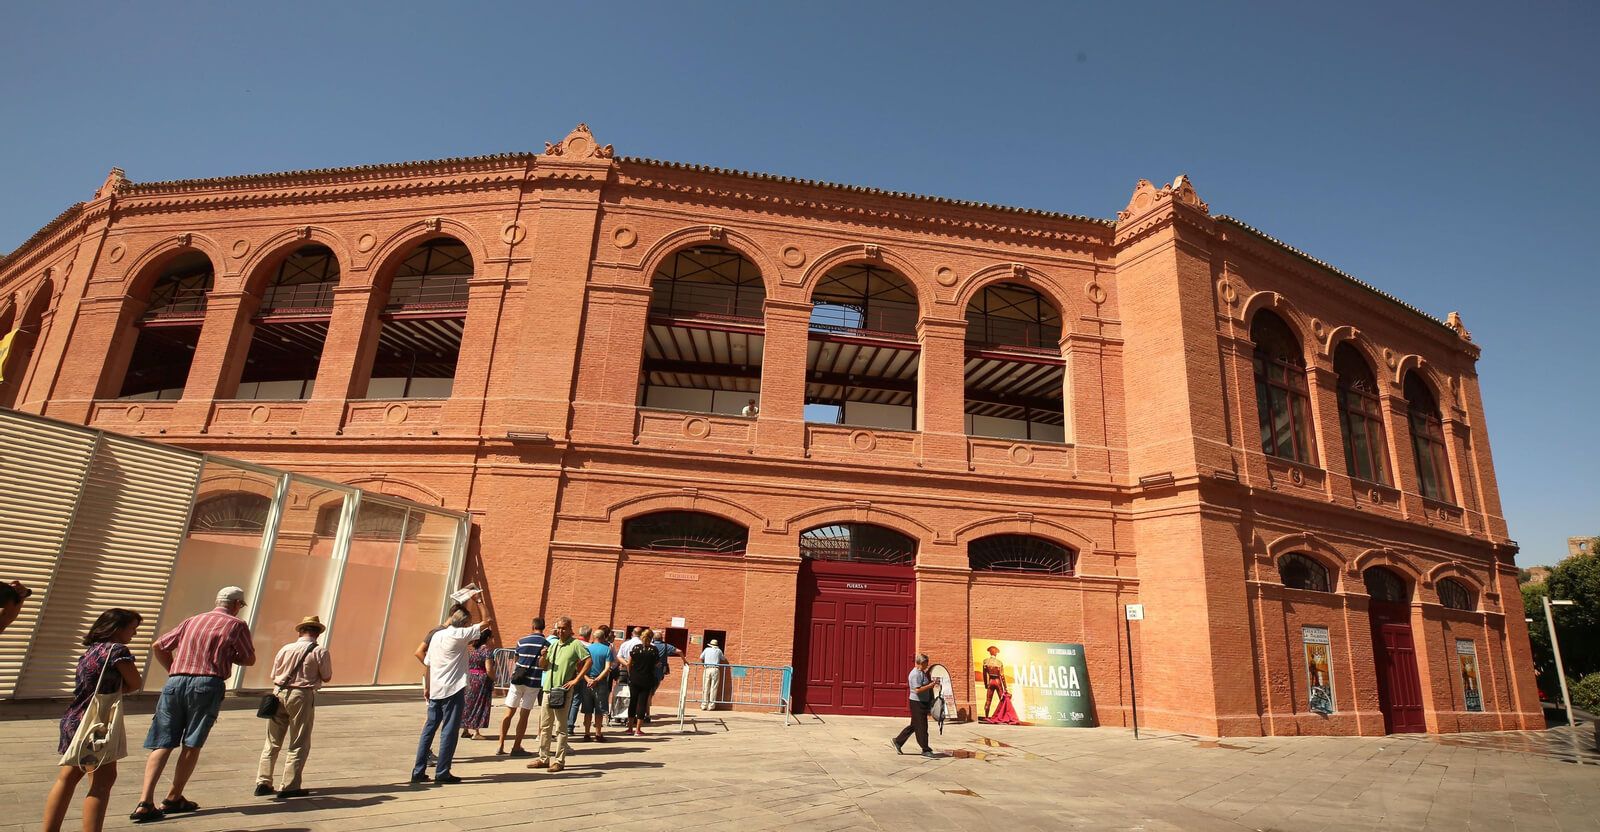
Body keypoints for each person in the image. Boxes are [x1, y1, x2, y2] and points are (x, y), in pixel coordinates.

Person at [131, 586, 256, 823]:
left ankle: (145, 801)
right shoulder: (236, 625)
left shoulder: (193, 620)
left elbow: (159, 645)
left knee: (163, 742)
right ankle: (173, 796)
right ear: (237, 605)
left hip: (176, 681)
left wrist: (174, 669)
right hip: (208, 683)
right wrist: (228, 656)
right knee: (192, 741)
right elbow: (249, 658)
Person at [41, 608, 143, 832]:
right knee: (101, 783)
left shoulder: (91, 651)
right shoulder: (117, 651)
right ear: (118, 628)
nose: (134, 634)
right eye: (132, 629)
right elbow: (135, 683)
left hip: (74, 717)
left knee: (67, 777)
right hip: (96, 723)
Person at [410, 595, 491, 785]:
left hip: (436, 688)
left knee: (429, 729)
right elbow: (486, 622)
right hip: (453, 689)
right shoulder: (459, 635)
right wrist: (478, 601)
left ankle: (418, 770)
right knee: (449, 730)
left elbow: (428, 663)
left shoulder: (437, 635)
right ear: (464, 624)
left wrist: (428, 686)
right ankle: (443, 771)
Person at [254, 615, 332, 799]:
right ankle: (289, 785)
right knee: (299, 741)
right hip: (301, 695)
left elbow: (274, 673)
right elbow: (327, 676)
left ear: (300, 631)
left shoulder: (285, 648)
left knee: (272, 741)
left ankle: (263, 781)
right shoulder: (320, 651)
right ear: (317, 633)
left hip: (278, 692)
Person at [527, 616, 590, 773]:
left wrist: (576, 679)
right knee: (545, 725)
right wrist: (542, 655)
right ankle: (543, 758)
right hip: (548, 689)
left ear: (570, 629)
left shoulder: (575, 644)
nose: (561, 631)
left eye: (564, 628)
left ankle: (559, 760)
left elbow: (588, 661)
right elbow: (543, 665)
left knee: (561, 727)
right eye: (559, 628)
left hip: (562, 691)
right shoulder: (553, 645)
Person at [496, 617, 546, 756]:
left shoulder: (521, 641)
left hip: (517, 680)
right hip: (533, 682)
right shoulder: (546, 643)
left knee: (509, 713)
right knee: (524, 715)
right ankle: (516, 746)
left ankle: (500, 744)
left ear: (532, 626)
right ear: (543, 627)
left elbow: (517, 659)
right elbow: (544, 664)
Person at [891, 653, 939, 758]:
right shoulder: (915, 674)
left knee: (915, 725)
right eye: (926, 663)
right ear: (921, 663)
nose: (927, 665)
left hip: (922, 702)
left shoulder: (922, 672)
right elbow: (917, 690)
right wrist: (930, 686)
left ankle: (898, 741)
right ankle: (925, 749)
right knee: (922, 726)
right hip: (917, 703)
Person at [579, 625, 615, 741]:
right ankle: (598, 733)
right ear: (604, 637)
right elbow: (607, 668)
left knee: (587, 709)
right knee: (599, 710)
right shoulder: (607, 650)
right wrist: (597, 679)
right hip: (601, 682)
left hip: (587, 682)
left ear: (593, 637)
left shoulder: (587, 649)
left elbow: (579, 667)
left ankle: (586, 733)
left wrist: (587, 679)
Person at [622, 627, 659, 736]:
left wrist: (630, 674)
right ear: (651, 638)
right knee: (642, 703)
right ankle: (638, 729)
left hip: (634, 678)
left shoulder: (636, 648)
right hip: (647, 678)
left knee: (632, 702)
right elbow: (656, 663)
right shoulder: (653, 650)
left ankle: (629, 728)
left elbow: (629, 663)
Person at [461, 629, 495, 740]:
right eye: (492, 637)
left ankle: (465, 729)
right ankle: (476, 732)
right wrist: (494, 678)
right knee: (479, 704)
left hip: (471, 678)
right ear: (488, 638)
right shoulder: (487, 652)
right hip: (481, 680)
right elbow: (489, 669)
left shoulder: (474, 651)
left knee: (469, 703)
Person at [644, 632, 680, 722]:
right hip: (658, 674)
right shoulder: (666, 646)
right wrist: (684, 660)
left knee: (646, 693)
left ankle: (645, 712)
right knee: (650, 694)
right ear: (662, 638)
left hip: (647, 672)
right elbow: (679, 651)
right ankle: (647, 713)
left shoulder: (649, 645)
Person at [564, 625, 593, 736]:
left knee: (567, 700)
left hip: (570, 675)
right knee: (576, 701)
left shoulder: (572, 643)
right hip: (581, 676)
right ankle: (570, 725)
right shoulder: (590, 646)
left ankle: (563, 723)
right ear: (589, 634)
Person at [699, 638, 726, 710]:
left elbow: (701, 657)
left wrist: (705, 662)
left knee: (705, 686)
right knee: (713, 687)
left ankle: (704, 704)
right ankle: (711, 705)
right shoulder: (719, 651)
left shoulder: (706, 649)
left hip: (707, 668)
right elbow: (723, 659)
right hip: (715, 669)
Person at [981, 645, 1007, 718]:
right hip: (998, 681)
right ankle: (1002, 716)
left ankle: (986, 716)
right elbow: (1002, 676)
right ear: (996, 653)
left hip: (990, 681)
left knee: (988, 700)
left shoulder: (985, 661)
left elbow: (984, 674)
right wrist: (1005, 687)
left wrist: (986, 684)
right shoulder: (999, 662)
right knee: (1002, 700)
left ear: (990, 653)